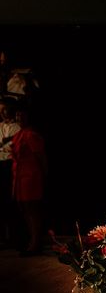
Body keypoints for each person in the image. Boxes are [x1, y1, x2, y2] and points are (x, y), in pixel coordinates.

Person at [10, 103, 47, 256]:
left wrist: (43, 174)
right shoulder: (20, 134)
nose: (19, 118)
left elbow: (41, 157)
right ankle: (33, 240)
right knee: (26, 209)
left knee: (32, 210)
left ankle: (35, 243)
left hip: (30, 176)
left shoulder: (31, 135)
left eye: (22, 115)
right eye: (17, 115)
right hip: (20, 176)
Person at [0, 98, 21, 247]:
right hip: (0, 164)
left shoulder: (18, 127)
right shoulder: (0, 126)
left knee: (12, 202)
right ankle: (3, 237)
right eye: (0, 110)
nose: (2, 113)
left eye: (4, 109)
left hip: (10, 165)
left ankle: (14, 237)